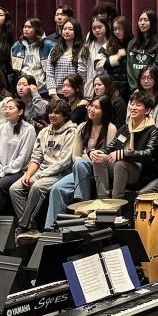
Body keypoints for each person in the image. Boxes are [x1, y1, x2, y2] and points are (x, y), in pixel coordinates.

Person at [8, 100, 78, 238]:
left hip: (61, 173)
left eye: (56, 113)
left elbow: (63, 163)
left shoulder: (72, 132)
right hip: (41, 171)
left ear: (65, 116)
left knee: (36, 187)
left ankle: (24, 225)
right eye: (51, 112)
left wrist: (37, 177)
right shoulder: (44, 132)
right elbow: (36, 157)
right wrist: (28, 175)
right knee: (14, 189)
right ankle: (31, 227)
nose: (52, 115)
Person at [45, 97, 116, 232]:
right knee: (57, 189)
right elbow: (75, 156)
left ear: (105, 111)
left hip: (99, 170)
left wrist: (87, 156)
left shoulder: (111, 128)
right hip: (81, 169)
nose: (91, 109)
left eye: (96, 107)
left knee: (81, 163)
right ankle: (50, 230)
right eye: (90, 105)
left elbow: (108, 156)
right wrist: (87, 156)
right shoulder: (82, 127)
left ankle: (82, 203)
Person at [91, 92, 158, 199]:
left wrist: (124, 153)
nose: (133, 107)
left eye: (138, 105)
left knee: (120, 163)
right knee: (99, 158)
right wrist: (95, 152)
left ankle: (115, 202)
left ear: (147, 110)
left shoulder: (153, 130)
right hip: (120, 168)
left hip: (141, 172)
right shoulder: (124, 128)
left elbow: (149, 154)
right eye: (132, 104)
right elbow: (111, 148)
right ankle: (102, 200)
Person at [44, 17, 90, 98]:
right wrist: (53, 94)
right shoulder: (55, 49)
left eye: (70, 29)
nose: (67, 32)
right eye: (64, 29)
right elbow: (49, 72)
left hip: (76, 94)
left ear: (76, 31)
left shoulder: (83, 49)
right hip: (58, 94)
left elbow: (84, 75)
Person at [125, 10, 158, 92]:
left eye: (146, 20)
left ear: (152, 22)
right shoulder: (132, 43)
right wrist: (135, 87)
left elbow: (157, 66)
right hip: (135, 89)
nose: (142, 23)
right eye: (140, 20)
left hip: (151, 88)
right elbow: (129, 67)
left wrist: (147, 84)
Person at [89, 15, 128, 91]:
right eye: (114, 29)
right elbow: (97, 64)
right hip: (112, 87)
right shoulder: (109, 45)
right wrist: (116, 58)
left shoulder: (133, 44)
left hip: (130, 86)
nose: (117, 32)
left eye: (119, 29)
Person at [10, 17, 46, 86]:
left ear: (37, 29)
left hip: (42, 87)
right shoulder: (17, 46)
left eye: (29, 27)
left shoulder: (47, 46)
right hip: (23, 87)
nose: (26, 29)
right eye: (25, 27)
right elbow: (14, 71)